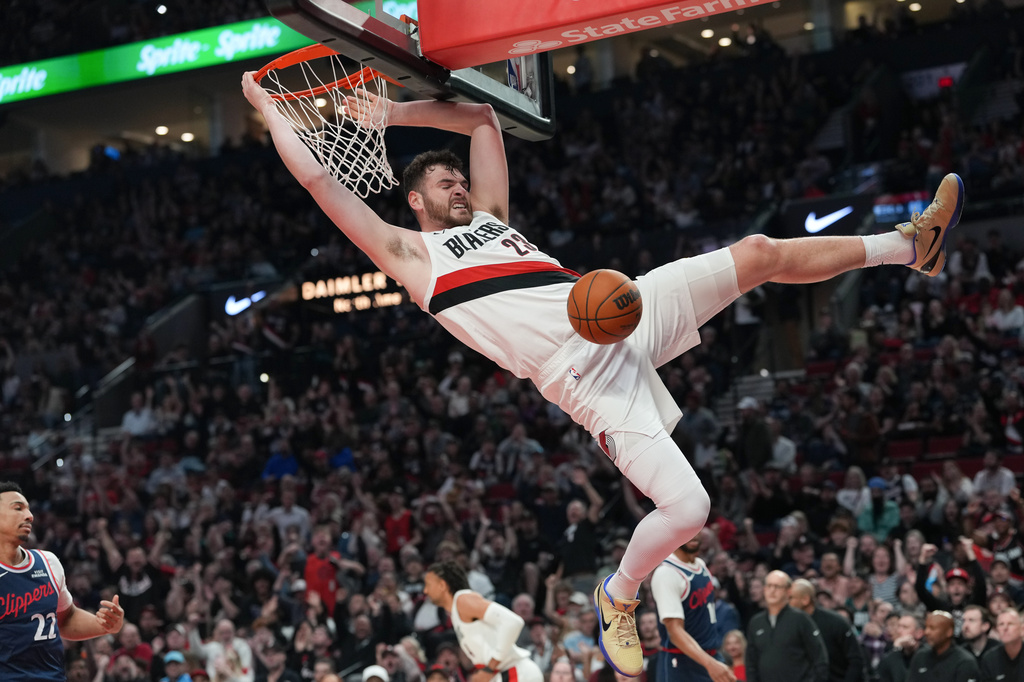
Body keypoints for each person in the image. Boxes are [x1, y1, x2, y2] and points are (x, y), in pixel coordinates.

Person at [241, 70, 965, 678]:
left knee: (757, 252)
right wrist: (274, 110)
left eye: (459, 177)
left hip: (618, 309)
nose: (459, 185)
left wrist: (396, 112)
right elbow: (316, 180)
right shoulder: (410, 258)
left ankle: (908, 246)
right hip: (584, 377)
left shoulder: (492, 219)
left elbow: (484, 120)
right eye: (444, 181)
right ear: (416, 202)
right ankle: (618, 594)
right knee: (690, 510)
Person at [0, 481, 125, 681]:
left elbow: (65, 618)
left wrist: (104, 625)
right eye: (18, 508)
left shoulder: (48, 562)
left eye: (29, 509)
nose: (29, 516)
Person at [421, 560, 543, 682]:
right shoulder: (456, 611)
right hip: (503, 674)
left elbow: (514, 622)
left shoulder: (463, 600)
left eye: (429, 585)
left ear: (442, 585)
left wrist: (489, 669)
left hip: (516, 672)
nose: (425, 591)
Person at [650, 534, 735, 682]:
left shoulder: (701, 565)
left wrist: (712, 660)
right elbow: (675, 632)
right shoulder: (667, 573)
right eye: (686, 526)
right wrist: (710, 663)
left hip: (709, 655)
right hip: (681, 664)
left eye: (696, 526)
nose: (692, 532)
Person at [744, 571, 827, 682]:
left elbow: (819, 658)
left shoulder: (801, 619)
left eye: (777, 586)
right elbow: (751, 662)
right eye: (769, 586)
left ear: (788, 591)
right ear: (764, 589)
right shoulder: (756, 622)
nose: (772, 590)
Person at [789, 579, 864, 682]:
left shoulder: (836, 622)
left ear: (805, 600)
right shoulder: (787, 625)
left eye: (790, 598)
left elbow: (856, 660)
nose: (785, 603)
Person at [904, 611, 979, 682]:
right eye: (926, 627)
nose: (927, 632)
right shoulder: (920, 656)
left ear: (949, 632)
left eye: (932, 628)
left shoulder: (964, 662)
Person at [876, 614, 924, 682]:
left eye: (905, 627)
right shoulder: (892, 649)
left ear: (919, 633)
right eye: (898, 626)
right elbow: (882, 672)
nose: (898, 631)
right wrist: (896, 649)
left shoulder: (925, 655)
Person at [979, 608, 1023, 682]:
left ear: (1022, 629)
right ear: (997, 630)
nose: (1005, 628)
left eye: (1010, 624)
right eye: (1001, 624)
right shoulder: (990, 659)